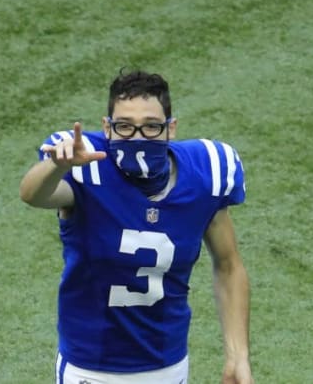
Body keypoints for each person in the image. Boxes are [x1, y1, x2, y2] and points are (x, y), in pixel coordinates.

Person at [19, 69, 254, 384]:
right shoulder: (86, 166)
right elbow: (34, 195)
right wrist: (56, 165)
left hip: (167, 365)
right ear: (107, 128)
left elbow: (229, 265)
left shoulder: (204, 174)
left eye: (151, 127)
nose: (138, 138)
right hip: (92, 368)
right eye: (125, 127)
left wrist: (238, 356)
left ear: (171, 129)